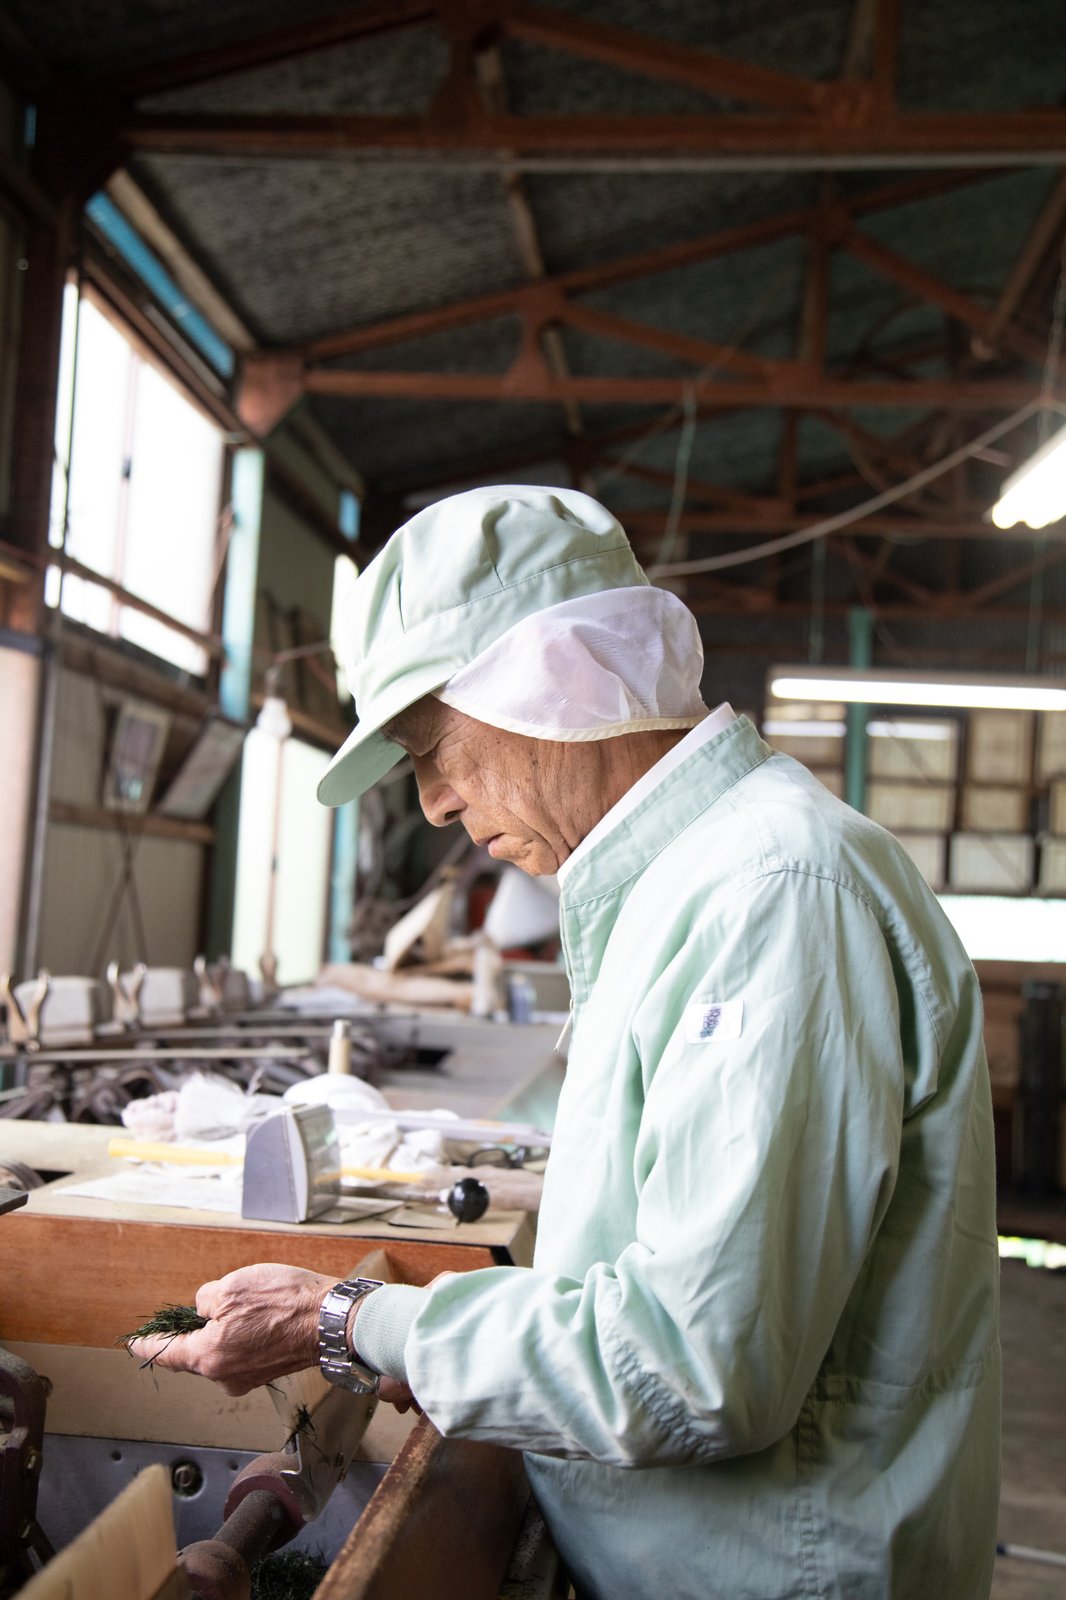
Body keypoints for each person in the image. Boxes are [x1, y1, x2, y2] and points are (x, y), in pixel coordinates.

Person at [131, 487, 1000, 1600]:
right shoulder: (689, 887)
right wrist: (447, 1348)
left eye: (435, 746)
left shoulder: (769, 894)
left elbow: (697, 1362)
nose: (437, 803)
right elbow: (649, 1271)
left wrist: (354, 1319)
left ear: (559, 681)